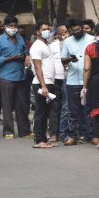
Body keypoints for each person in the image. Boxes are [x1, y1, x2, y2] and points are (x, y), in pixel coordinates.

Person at [0, 15, 32, 139]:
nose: (13, 28)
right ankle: (8, 131)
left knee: (22, 105)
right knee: (7, 105)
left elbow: (25, 52)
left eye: (15, 26)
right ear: (5, 27)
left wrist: (23, 57)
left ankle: (24, 131)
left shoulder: (20, 38)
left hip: (20, 76)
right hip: (6, 77)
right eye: (10, 26)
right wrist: (9, 58)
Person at [61, 18, 96, 146]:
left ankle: (93, 135)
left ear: (82, 28)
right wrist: (69, 60)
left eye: (78, 30)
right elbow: (62, 60)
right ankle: (72, 135)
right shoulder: (67, 42)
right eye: (73, 31)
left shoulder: (92, 40)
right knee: (72, 110)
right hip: (72, 80)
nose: (76, 32)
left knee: (89, 109)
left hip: (88, 79)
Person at [30, 20, 57, 148]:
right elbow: (37, 67)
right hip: (41, 83)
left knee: (46, 112)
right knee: (40, 112)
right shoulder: (37, 46)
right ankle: (38, 140)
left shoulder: (47, 45)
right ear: (38, 32)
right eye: (44, 29)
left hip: (49, 82)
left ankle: (44, 138)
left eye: (48, 29)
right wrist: (44, 85)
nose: (47, 31)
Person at [47, 25, 67, 142]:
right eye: (63, 33)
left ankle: (67, 132)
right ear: (58, 35)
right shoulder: (52, 46)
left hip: (69, 79)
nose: (66, 35)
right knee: (55, 107)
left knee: (67, 108)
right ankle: (54, 133)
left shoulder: (70, 44)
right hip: (56, 80)